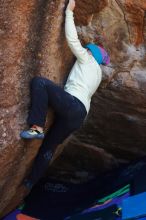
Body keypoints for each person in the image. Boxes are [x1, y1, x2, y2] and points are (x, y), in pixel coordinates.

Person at [20, 0, 110, 190]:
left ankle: (36, 126)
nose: (85, 49)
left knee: (40, 83)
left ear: (91, 53)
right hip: (78, 116)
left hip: (72, 105)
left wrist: (69, 13)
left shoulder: (87, 60)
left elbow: (72, 39)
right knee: (49, 147)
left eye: (88, 49)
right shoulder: (98, 74)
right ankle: (31, 182)